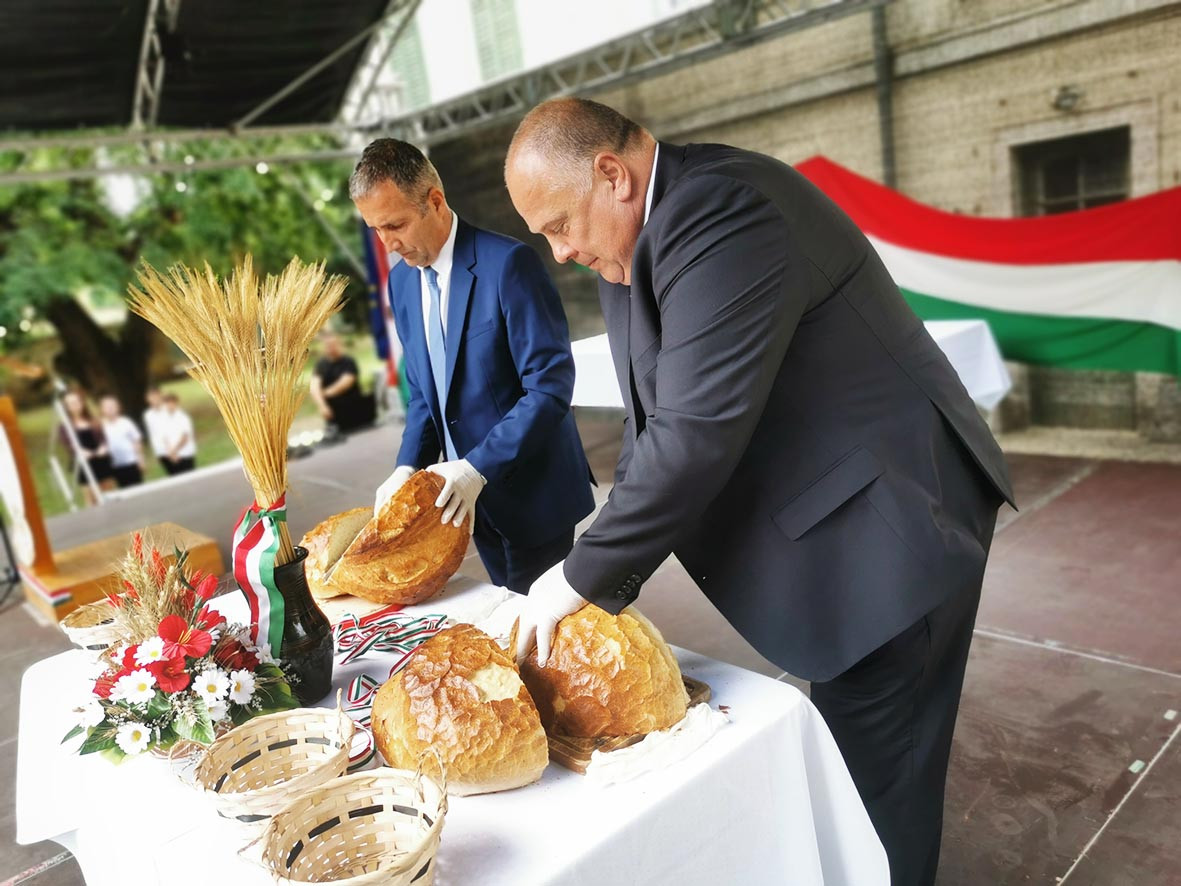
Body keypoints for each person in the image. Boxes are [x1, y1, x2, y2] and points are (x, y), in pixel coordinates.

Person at [504, 97, 1015, 886]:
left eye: (558, 225)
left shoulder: (721, 210)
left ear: (611, 175)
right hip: (842, 528)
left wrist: (577, 577)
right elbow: (651, 426)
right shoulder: (631, 239)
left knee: (881, 795)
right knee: (856, 773)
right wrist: (593, 572)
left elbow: (696, 430)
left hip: (892, 531)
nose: (560, 251)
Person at [351, 138, 595, 594]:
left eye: (395, 225)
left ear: (434, 201)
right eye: (375, 230)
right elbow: (424, 393)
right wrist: (407, 466)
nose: (388, 244)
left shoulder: (510, 265)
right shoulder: (401, 283)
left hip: (534, 496)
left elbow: (549, 388)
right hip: (472, 505)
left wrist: (476, 467)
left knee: (542, 625)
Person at [309, 331, 375, 433]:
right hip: (334, 414)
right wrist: (322, 405)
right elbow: (314, 386)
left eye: (333, 344)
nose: (331, 348)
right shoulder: (321, 365)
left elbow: (345, 384)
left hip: (353, 409)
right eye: (328, 345)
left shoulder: (348, 362)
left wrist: (322, 395)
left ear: (339, 345)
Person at [58, 389, 113, 506]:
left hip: (101, 459)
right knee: (91, 497)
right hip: (83, 463)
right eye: (71, 403)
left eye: (77, 402)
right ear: (66, 407)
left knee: (108, 494)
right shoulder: (65, 426)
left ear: (82, 403)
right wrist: (80, 451)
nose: (75, 405)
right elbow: (68, 444)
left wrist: (103, 447)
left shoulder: (94, 421)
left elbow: (103, 438)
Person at [99, 395, 144, 488]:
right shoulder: (100, 426)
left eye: (112, 406)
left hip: (132, 462)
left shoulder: (126, 422)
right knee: (124, 491)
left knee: (138, 488)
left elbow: (136, 440)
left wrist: (140, 458)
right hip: (115, 465)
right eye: (107, 407)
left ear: (118, 407)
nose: (110, 409)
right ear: (102, 409)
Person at [158, 393, 196, 474]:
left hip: (185, 454)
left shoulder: (183, 417)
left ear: (176, 403)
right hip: (172, 456)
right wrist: (170, 452)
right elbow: (165, 437)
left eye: (171, 403)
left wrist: (174, 450)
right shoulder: (163, 419)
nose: (169, 405)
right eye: (167, 403)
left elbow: (185, 438)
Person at [142, 385, 170, 470]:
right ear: (147, 399)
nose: (154, 399)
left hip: (175, 448)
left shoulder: (169, 409)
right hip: (161, 451)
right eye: (151, 397)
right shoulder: (148, 415)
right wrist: (157, 453)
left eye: (156, 396)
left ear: (160, 395)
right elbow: (152, 434)